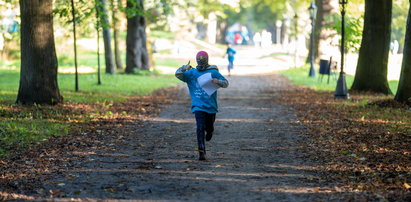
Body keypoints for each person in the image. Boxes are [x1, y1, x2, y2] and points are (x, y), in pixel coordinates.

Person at [175, 51, 229, 161]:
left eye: (203, 59)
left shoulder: (213, 72)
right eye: (199, 60)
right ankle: (201, 151)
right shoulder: (192, 73)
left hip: (211, 106)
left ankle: (210, 131)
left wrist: (217, 81)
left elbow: (226, 83)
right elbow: (178, 74)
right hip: (198, 106)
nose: (201, 62)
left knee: (209, 126)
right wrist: (184, 67)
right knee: (200, 127)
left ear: (207, 60)